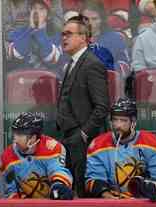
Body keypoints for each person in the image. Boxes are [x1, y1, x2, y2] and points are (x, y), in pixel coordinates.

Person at [56, 16, 110, 197]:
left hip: (84, 141)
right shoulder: (72, 63)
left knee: (85, 194)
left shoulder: (92, 64)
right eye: (63, 34)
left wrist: (83, 134)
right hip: (69, 139)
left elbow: (102, 107)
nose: (64, 38)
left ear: (83, 37)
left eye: (69, 34)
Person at [85, 97, 156, 201]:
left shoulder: (152, 143)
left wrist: (145, 188)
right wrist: (106, 195)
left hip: (145, 202)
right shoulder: (98, 144)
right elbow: (94, 179)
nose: (118, 125)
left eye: (123, 121)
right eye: (115, 120)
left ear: (133, 122)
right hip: (111, 201)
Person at [1, 112, 73, 199]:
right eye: (15, 134)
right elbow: (10, 190)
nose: (15, 139)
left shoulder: (52, 147)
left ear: (33, 137)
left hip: (51, 202)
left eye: (20, 134)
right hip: (24, 206)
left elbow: (57, 170)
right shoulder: (7, 155)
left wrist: (58, 186)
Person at [6, 0, 65, 79]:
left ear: (48, 15)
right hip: (22, 82)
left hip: (46, 82)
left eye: (41, 9)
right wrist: (30, 29)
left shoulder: (56, 34)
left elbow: (51, 59)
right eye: (34, 8)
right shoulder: (19, 32)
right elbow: (16, 55)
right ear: (30, 11)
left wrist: (40, 32)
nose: (37, 12)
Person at [80, 0, 130, 73]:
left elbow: (124, 65)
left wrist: (105, 69)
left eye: (94, 19)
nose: (90, 23)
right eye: (85, 19)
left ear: (102, 20)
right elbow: (62, 66)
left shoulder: (116, 39)